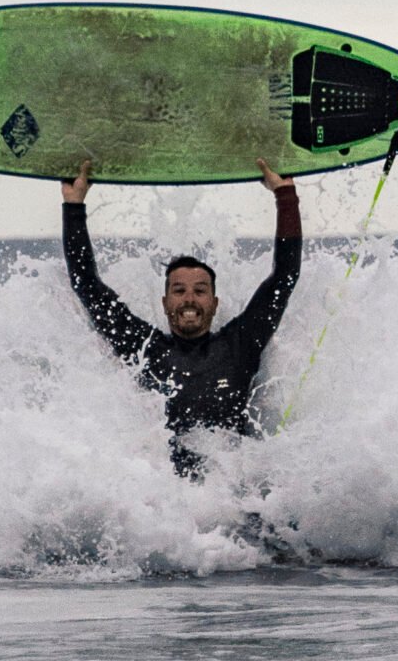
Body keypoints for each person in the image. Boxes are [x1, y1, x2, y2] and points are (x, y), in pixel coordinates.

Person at [61, 158, 301, 477]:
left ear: (215, 303)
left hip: (235, 498)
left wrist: (285, 195)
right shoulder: (146, 349)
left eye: (200, 290)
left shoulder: (240, 346)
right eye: (179, 290)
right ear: (165, 302)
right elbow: (87, 285)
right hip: (167, 504)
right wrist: (74, 205)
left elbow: (284, 275)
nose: (189, 299)